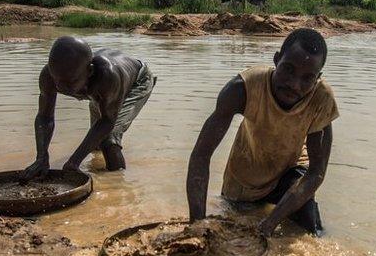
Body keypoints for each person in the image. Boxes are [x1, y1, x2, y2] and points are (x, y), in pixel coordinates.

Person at [186, 28, 339, 237]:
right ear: (276, 60)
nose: (294, 85)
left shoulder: (321, 99)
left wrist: (270, 223)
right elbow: (201, 155)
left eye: (307, 78)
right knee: (234, 229)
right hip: (244, 178)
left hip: (290, 168)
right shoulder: (243, 88)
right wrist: (196, 225)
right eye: (288, 70)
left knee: (308, 230)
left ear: (318, 78)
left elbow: (316, 173)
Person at [20, 36, 155, 179]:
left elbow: (107, 121)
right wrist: (41, 157)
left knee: (108, 139)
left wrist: (74, 161)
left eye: (70, 82)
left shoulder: (107, 76)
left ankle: (117, 183)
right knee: (95, 145)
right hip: (102, 91)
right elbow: (44, 117)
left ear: (90, 71)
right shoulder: (49, 75)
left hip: (137, 82)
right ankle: (99, 166)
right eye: (56, 80)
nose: (60, 87)